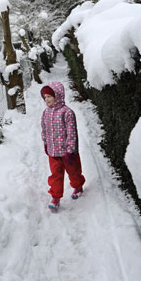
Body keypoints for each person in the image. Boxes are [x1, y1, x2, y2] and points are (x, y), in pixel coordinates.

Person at [41, 81, 86, 212]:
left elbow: (72, 133)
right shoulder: (45, 113)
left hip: (68, 153)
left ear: (58, 95)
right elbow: (44, 129)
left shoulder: (67, 112)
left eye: (49, 96)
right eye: (45, 97)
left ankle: (78, 186)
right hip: (53, 152)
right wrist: (45, 143)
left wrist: (70, 151)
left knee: (74, 172)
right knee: (55, 175)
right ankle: (55, 197)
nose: (47, 99)